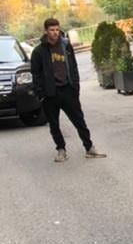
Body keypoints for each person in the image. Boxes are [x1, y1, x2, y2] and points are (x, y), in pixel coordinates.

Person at [30, 18, 106, 163]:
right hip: (50, 94)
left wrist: (75, 87)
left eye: (57, 30)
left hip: (68, 90)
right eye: (52, 30)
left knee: (79, 120)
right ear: (46, 31)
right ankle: (61, 150)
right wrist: (41, 94)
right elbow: (36, 74)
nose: (55, 33)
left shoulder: (66, 46)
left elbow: (74, 67)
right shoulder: (38, 52)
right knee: (54, 124)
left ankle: (89, 148)